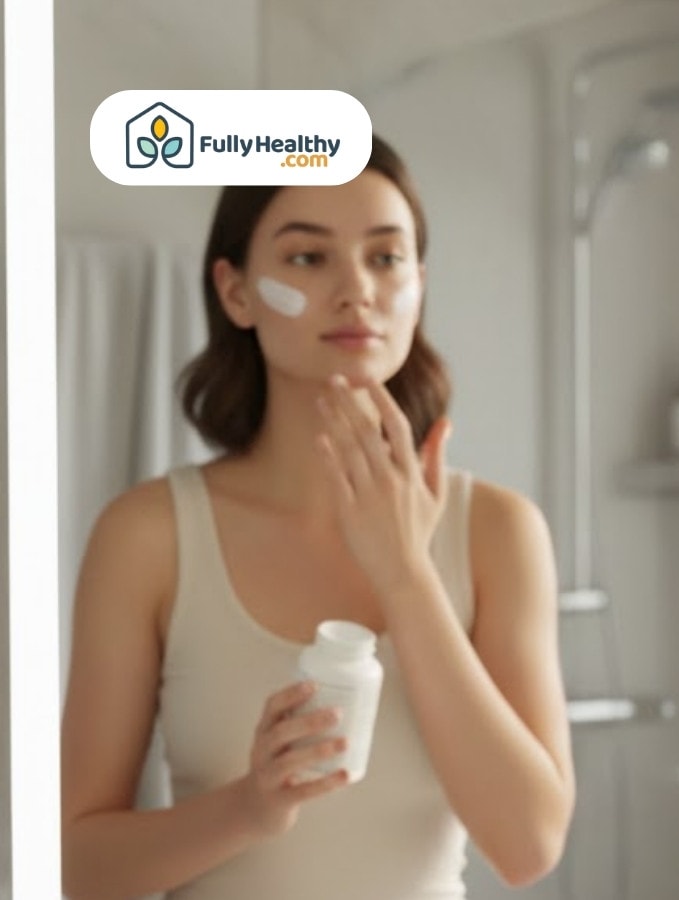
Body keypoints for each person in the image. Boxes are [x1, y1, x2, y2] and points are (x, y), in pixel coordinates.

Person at [60, 136, 575, 899]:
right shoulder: (149, 536)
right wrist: (249, 809)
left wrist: (405, 575)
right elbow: (74, 865)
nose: (356, 290)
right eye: (308, 258)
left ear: (419, 285)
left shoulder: (499, 532)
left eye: (385, 257)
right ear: (235, 292)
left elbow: (529, 845)